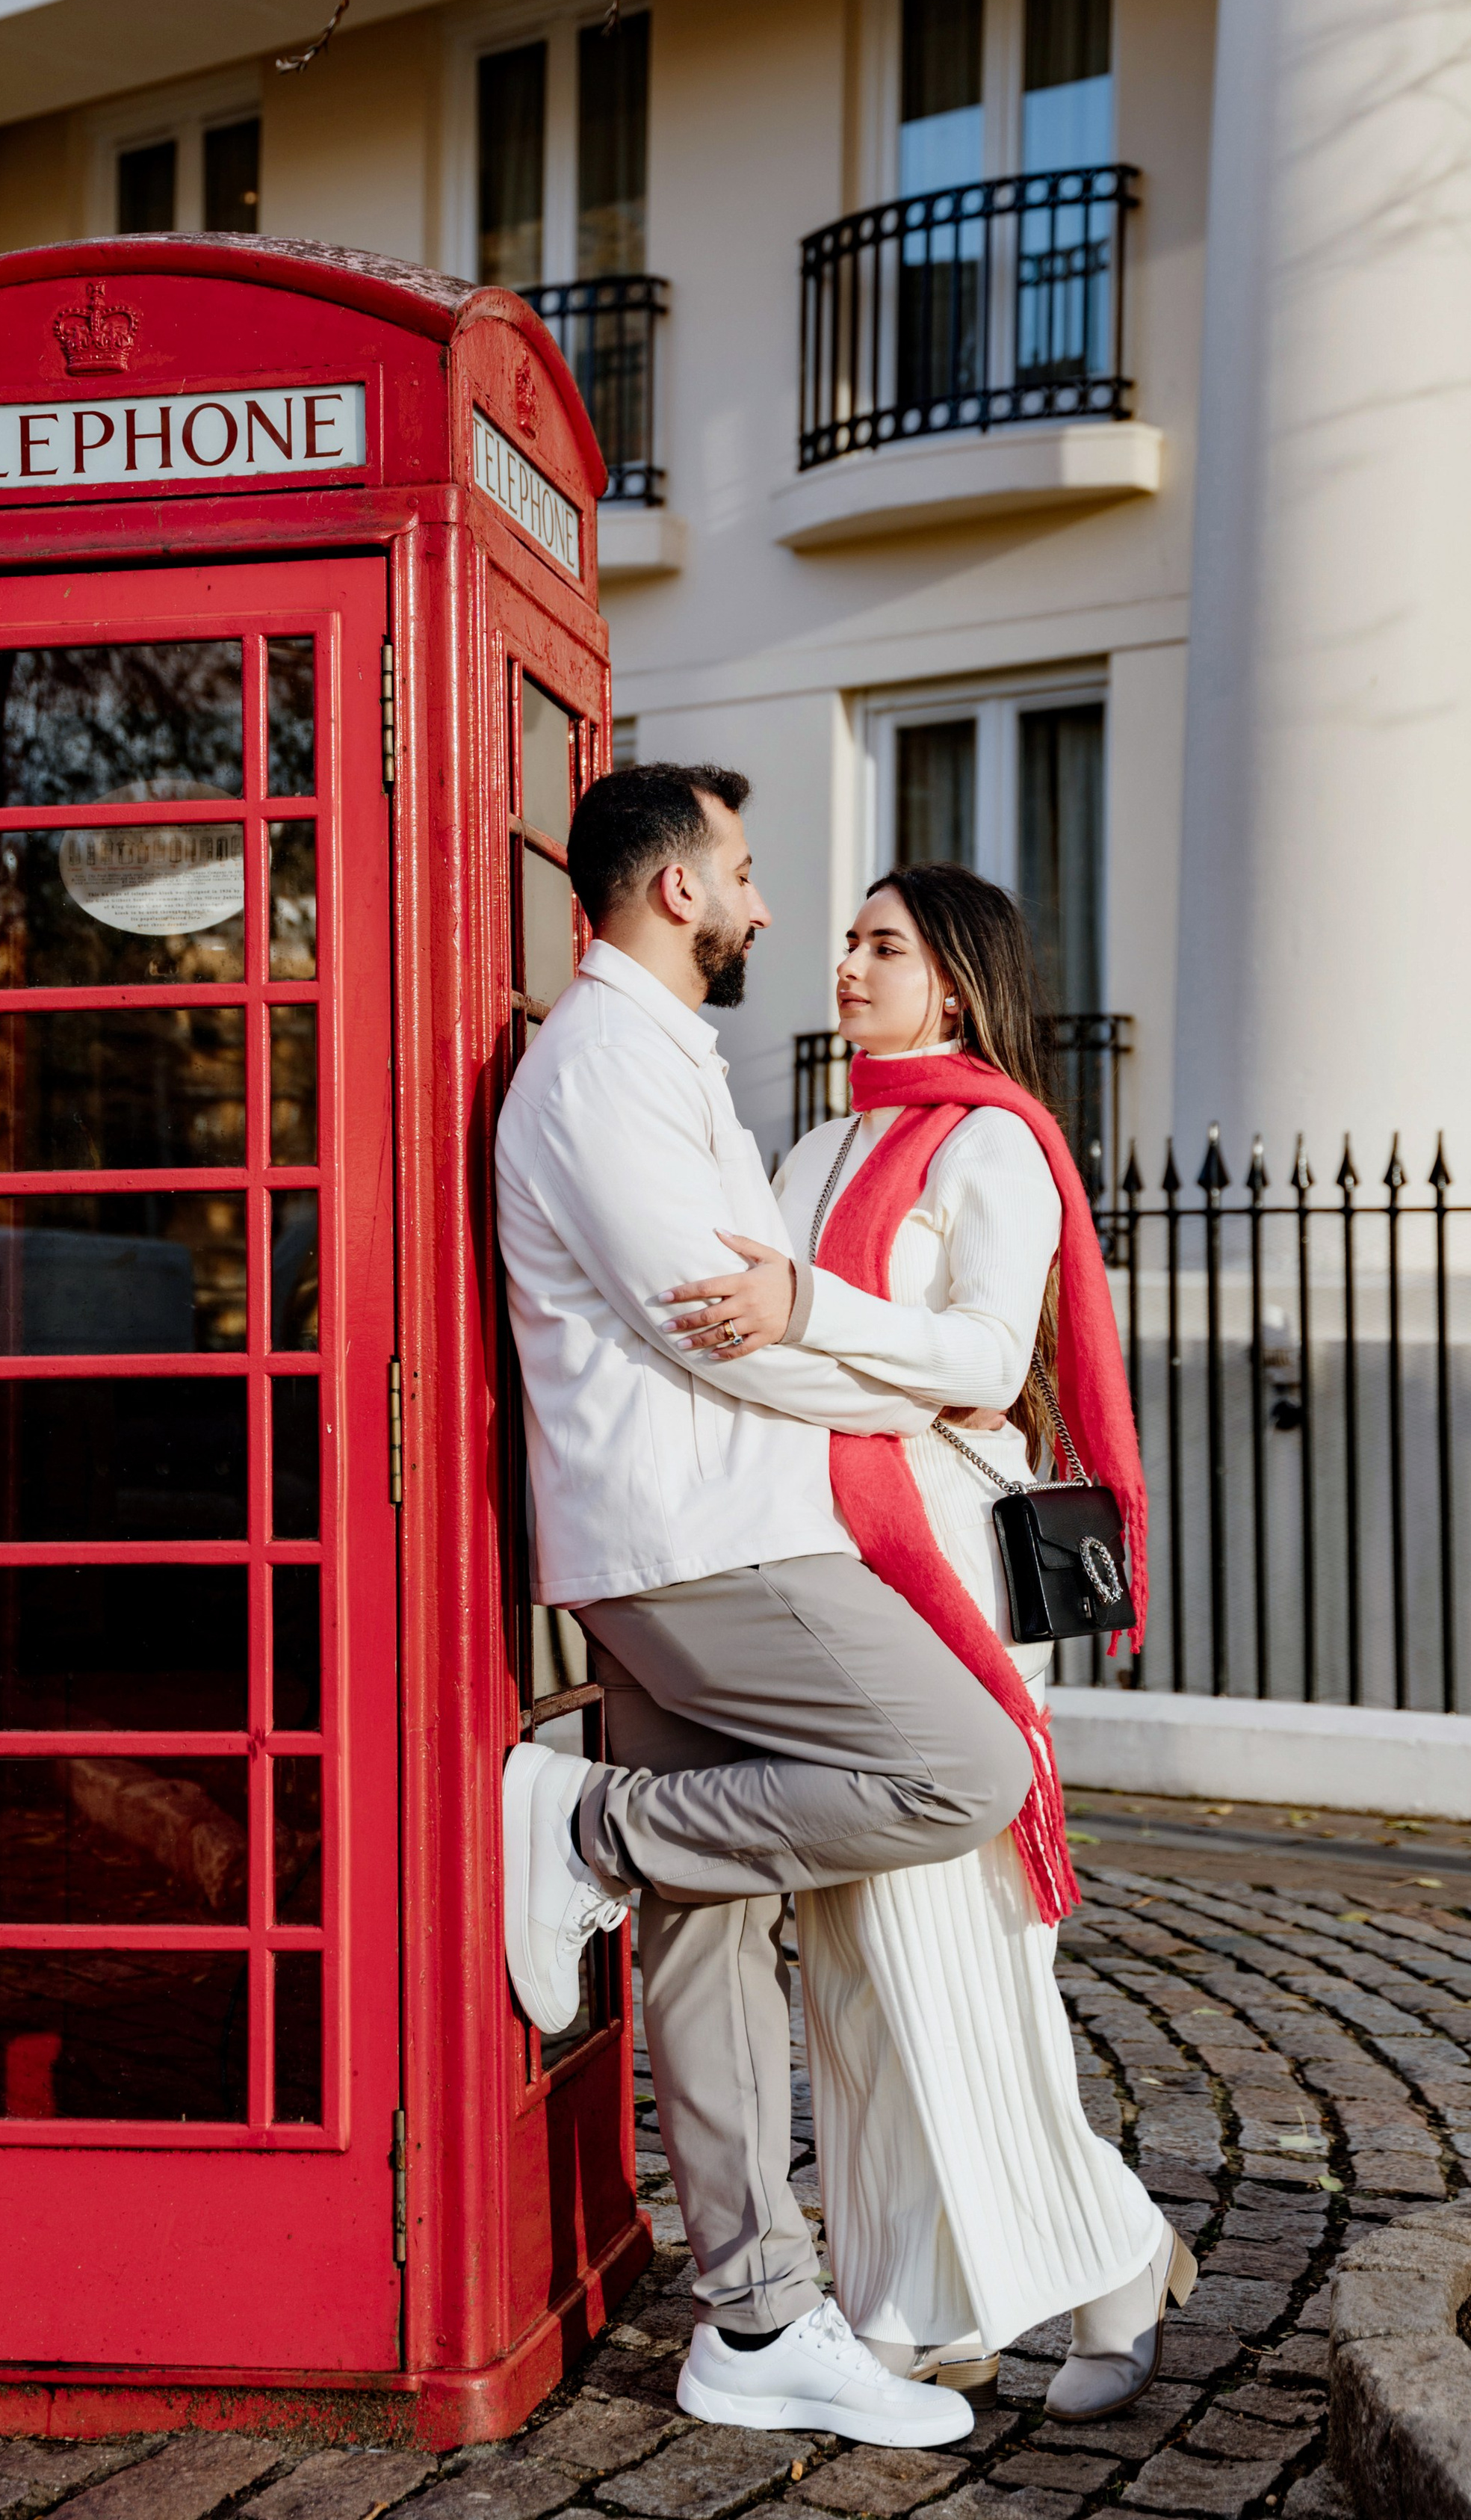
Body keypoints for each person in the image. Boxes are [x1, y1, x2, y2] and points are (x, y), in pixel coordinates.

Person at [495, 765, 1033, 2449]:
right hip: (696, 1541)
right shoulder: (597, 1068)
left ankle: (755, 2317)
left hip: (710, 1520)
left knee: (710, 1936)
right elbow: (704, 1321)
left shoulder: (664, 1062)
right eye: (742, 867)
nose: (767, 904)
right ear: (674, 891)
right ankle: (587, 1826)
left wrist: (819, 1326)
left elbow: (760, 1310)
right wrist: (896, 1373)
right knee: (962, 1764)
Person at [660, 862, 1192, 2423]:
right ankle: (912, 2297)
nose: (842, 961)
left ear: (951, 980)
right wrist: (811, 1343)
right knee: (850, 1957)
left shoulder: (992, 1143)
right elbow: (741, 1337)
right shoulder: (817, 1140)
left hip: (939, 1564)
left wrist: (808, 1321)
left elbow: (973, 1356)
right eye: (843, 938)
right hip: (819, 1552)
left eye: (879, 944)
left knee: (948, 1949)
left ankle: (1095, 2259)